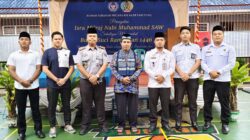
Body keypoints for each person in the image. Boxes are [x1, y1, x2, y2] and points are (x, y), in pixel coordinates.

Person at [7, 31, 45, 140]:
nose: (24, 41)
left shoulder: (36, 54)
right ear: (19, 41)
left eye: (26, 39)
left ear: (30, 42)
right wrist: (21, 81)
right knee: (21, 110)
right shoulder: (13, 55)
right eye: (22, 39)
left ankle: (38, 130)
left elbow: (39, 68)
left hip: (34, 86)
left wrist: (31, 80)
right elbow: (11, 70)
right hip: (19, 87)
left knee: (35, 109)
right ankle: (21, 132)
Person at [201, 25, 236, 134]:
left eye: (219, 34)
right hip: (208, 79)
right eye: (215, 34)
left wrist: (219, 72)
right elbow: (202, 62)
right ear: (212, 36)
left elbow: (231, 64)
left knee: (224, 103)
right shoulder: (206, 49)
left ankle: (225, 124)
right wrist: (210, 72)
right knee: (207, 102)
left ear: (223, 35)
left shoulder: (229, 48)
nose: (217, 36)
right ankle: (207, 122)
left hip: (223, 80)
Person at [42, 31, 76, 138]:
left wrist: (64, 79)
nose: (57, 40)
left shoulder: (68, 52)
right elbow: (45, 69)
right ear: (52, 40)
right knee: (52, 105)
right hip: (52, 84)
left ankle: (68, 124)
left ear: (62, 40)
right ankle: (52, 127)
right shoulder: (47, 52)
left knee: (66, 104)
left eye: (59, 38)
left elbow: (71, 67)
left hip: (65, 83)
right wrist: (57, 79)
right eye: (55, 39)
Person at [75, 27, 109, 135]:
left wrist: (97, 76)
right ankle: (85, 125)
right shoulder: (81, 51)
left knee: (100, 104)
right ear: (87, 38)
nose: (92, 38)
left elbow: (105, 64)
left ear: (97, 38)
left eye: (94, 36)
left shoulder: (102, 50)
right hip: (85, 81)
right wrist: (90, 77)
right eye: (90, 36)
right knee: (86, 104)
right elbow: (79, 66)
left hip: (99, 81)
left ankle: (102, 125)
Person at [110, 34, 142, 133]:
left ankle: (133, 125)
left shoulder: (136, 55)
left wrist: (131, 78)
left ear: (131, 43)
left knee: (133, 107)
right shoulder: (116, 54)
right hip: (120, 85)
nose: (126, 44)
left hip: (132, 85)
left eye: (128, 42)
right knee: (121, 107)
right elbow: (112, 68)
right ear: (121, 43)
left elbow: (140, 68)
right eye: (124, 42)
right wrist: (121, 78)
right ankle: (121, 125)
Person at [171, 26, 201, 131]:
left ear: (190, 35)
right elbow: (173, 62)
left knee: (193, 101)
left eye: (187, 33)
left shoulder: (196, 47)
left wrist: (188, 74)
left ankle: (194, 121)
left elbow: (198, 62)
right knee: (178, 101)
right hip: (179, 78)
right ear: (180, 35)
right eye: (183, 33)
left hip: (192, 78)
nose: (185, 35)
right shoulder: (175, 48)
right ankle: (178, 121)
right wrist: (182, 74)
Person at [144, 32, 175, 132]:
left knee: (165, 104)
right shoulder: (149, 53)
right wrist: (156, 77)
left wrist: (163, 76)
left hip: (165, 84)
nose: (159, 42)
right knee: (152, 105)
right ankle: (152, 123)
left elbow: (172, 68)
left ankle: (165, 123)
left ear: (164, 41)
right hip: (153, 84)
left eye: (161, 40)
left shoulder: (169, 54)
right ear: (154, 42)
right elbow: (146, 68)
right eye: (157, 40)